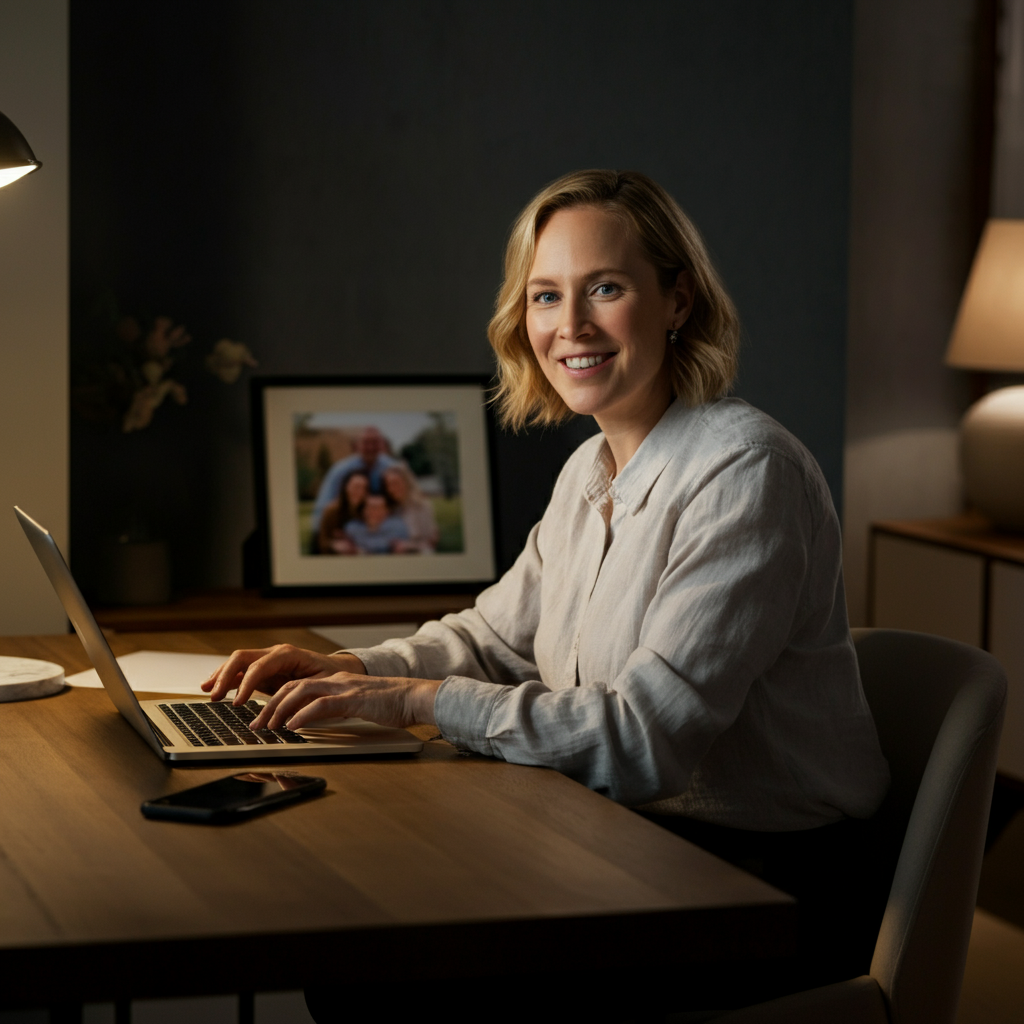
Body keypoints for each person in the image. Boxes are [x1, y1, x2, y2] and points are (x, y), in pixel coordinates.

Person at [204, 169, 891, 1004]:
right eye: (544, 296)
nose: (570, 327)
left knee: (385, 982)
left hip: (768, 892)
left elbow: (641, 742)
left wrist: (416, 702)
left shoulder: (747, 472)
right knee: (358, 951)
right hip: (626, 843)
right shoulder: (588, 470)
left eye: (604, 288)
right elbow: (491, 639)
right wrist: (348, 668)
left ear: (678, 302)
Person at [309, 426, 398, 533]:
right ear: (357, 445)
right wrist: (320, 531)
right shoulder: (339, 470)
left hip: (383, 527)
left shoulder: (393, 467)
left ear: (382, 444)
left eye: (375, 442)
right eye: (366, 442)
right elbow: (325, 503)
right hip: (346, 526)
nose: (370, 447)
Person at [382, 463, 439, 552]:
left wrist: (407, 546)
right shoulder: (391, 509)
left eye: (396, 483)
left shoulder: (422, 506)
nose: (392, 488)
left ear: (406, 482)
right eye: (388, 484)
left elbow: (430, 541)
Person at [315, 469, 370, 555]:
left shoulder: (370, 510)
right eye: (356, 487)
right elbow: (322, 541)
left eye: (363, 487)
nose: (359, 491)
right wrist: (334, 545)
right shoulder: (332, 511)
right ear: (346, 487)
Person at [343, 491, 411, 554]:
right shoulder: (353, 527)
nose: (375, 511)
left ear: (387, 511)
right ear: (364, 510)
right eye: (371, 507)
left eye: (379, 508)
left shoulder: (397, 526)